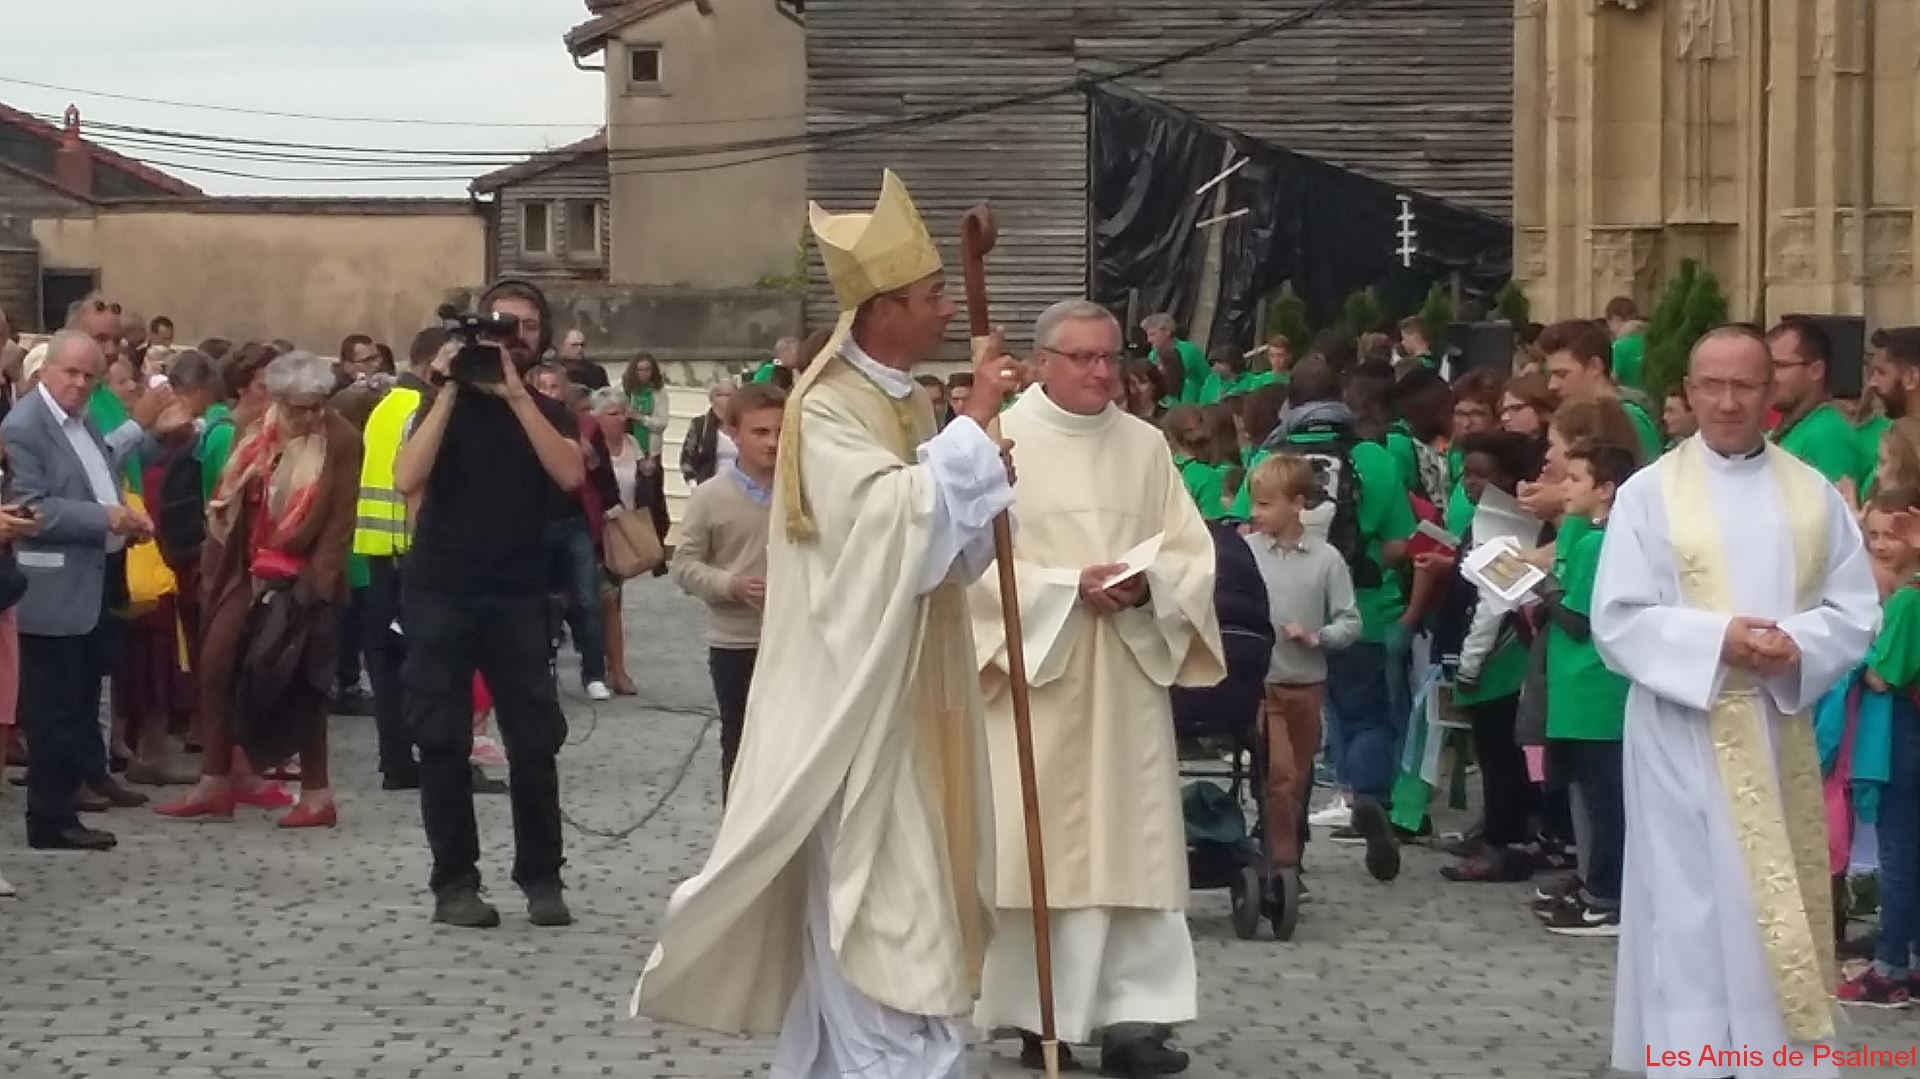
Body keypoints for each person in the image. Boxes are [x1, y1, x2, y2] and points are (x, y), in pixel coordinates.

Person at [630, 169, 1021, 1078]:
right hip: (852, 697)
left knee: (919, 883)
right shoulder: (826, 405)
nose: (942, 315)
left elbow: (933, 544)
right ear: (882, 307)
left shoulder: (905, 398)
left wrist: (979, 475)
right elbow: (880, 527)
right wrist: (974, 433)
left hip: (916, 674)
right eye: (929, 299)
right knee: (882, 898)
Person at [1592, 326, 1879, 1077]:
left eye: (1743, 386)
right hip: (1681, 728)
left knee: (1762, 906)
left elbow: (1854, 610)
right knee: (1688, 910)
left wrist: (1794, 645)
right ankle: (1690, 1060)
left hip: (1775, 721)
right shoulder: (1649, 495)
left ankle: (1768, 1060)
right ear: (1686, 392)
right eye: (1710, 386)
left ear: (1769, 394)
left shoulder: (1811, 494)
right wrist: (1720, 638)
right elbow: (1617, 616)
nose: (1726, 402)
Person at [968, 300, 1224, 1077]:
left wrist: (1148, 590)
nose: (1100, 371)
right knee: (1041, 847)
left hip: (1124, 675)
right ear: (1041, 361)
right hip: (1037, 676)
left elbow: (1191, 552)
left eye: (1110, 357)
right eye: (1080, 357)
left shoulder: (1146, 446)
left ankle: (1133, 1018)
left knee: (1133, 844)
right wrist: (1060, 586)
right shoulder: (996, 445)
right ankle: (1036, 1014)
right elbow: (965, 564)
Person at [394, 279, 586, 930]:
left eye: (529, 327)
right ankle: (454, 882)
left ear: (542, 339)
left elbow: (568, 474)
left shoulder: (549, 409)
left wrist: (514, 395)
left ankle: (542, 875)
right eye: (504, 323)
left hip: (518, 588)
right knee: (441, 737)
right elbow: (405, 475)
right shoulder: (439, 402)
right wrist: (446, 386)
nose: (516, 335)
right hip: (440, 584)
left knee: (533, 738)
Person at [155, 352, 364, 828]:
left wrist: (318, 584)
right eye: (299, 407)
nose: (310, 416)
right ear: (278, 400)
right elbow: (229, 503)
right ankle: (215, 779)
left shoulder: (343, 439)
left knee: (303, 679)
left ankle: (316, 794)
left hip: (304, 576)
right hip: (247, 570)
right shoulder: (255, 430)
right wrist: (217, 570)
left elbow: (339, 519)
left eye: (317, 405)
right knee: (215, 664)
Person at [2, 330, 165, 850]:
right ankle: (49, 819)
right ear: (46, 370)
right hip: (51, 582)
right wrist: (106, 516)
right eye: (70, 372)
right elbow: (32, 508)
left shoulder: (84, 420)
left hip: (92, 576)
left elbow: (95, 474)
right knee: (52, 708)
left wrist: (123, 514)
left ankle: (67, 801)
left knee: (76, 700)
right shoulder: (26, 425)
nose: (78, 384)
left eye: (87, 376)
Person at [1242, 452, 1358, 914]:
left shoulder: (1326, 560)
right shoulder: (1248, 553)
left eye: (1266, 504)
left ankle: (1286, 856)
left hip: (1306, 683)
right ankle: (1282, 866)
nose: (1256, 513)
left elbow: (1351, 621)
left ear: (1296, 504)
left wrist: (1318, 637)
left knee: (1298, 779)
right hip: (1262, 683)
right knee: (1280, 776)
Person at [1531, 442, 1638, 934]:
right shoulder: (1588, 535)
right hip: (1577, 691)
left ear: (1606, 489)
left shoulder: (1601, 542)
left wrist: (1541, 584)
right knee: (1589, 799)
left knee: (1604, 803)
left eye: (1576, 479)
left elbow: (1578, 619)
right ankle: (1595, 884)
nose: (1565, 488)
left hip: (1595, 689)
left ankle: (1605, 895)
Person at [1435, 432, 1545, 885]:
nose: (1471, 483)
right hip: (1507, 652)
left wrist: (1470, 662)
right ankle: (1503, 832)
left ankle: (1500, 844)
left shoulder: (1502, 526)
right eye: (1466, 474)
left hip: (1499, 656)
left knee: (1498, 754)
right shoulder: (1496, 519)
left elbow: (1493, 602)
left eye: (1483, 474)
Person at [669, 382, 782, 797]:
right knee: (740, 742)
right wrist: (730, 584)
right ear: (733, 433)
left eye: (781, 431)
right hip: (737, 641)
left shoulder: (804, 494)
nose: (773, 442)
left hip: (797, 638)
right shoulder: (710, 497)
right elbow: (684, 564)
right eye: (761, 432)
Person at [1834, 490, 1920, 1006]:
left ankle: (1888, 968)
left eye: (1894, 534)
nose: (1884, 544)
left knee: (1900, 857)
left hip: (1903, 745)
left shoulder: (1908, 599)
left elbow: (1883, 676)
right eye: (1874, 536)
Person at [1539, 319, 1662, 461]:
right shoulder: (1577, 416)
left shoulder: (1630, 419)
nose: (1552, 385)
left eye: (1562, 374)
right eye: (1550, 375)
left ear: (1595, 367)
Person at [1767, 316, 1867, 491]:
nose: (1768, 376)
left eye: (1779, 365)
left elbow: (1831, 513)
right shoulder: (1798, 426)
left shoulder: (1826, 435)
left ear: (1816, 370)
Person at [588, 387, 641, 696]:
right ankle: (599, 667)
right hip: (595, 531)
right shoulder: (592, 450)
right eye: (612, 413)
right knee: (601, 600)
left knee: (613, 603)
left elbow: (646, 487)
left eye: (622, 413)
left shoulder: (634, 445)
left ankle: (615, 668)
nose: (619, 419)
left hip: (623, 531)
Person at [622, 354, 673, 555]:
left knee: (653, 502)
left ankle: (656, 549)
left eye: (648, 369)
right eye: (640, 369)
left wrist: (639, 417)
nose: (644, 374)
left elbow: (661, 423)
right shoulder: (625, 391)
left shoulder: (659, 393)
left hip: (652, 452)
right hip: (629, 452)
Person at [679, 382, 736, 488]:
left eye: (731, 395)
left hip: (742, 487)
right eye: (720, 395)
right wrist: (693, 484)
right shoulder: (700, 425)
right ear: (712, 399)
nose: (726, 399)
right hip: (708, 485)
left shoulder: (746, 424)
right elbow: (687, 458)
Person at [1143, 313, 1207, 405]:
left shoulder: (1190, 351)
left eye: (1153, 334)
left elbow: (1207, 379)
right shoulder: (1152, 355)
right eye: (1148, 335)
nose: (1149, 340)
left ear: (1167, 332)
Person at [1604, 297, 1647, 391]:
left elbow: (1612, 380)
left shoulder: (1618, 346)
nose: (1610, 330)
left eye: (1609, 323)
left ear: (1615, 318)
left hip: (1629, 401)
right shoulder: (1650, 340)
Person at [1662, 384, 1697, 448]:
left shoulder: (1712, 446)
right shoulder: (1671, 449)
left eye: (1671, 411)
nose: (1665, 417)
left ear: (1692, 412)